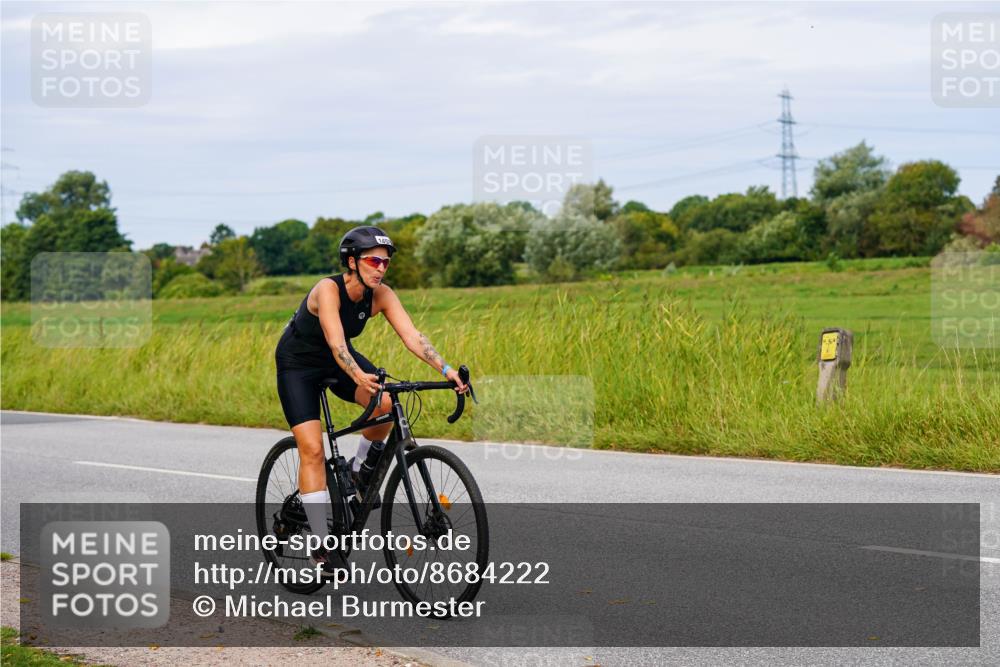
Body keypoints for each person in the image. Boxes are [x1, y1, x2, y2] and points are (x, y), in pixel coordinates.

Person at [274, 225, 468, 576]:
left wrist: (446, 369)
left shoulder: (381, 294)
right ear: (352, 261)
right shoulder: (328, 290)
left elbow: (413, 336)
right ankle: (321, 546)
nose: (381, 268)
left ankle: (359, 472)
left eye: (386, 262)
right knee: (313, 450)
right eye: (373, 261)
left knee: (385, 406)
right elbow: (336, 344)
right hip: (298, 367)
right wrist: (356, 374)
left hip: (338, 360)